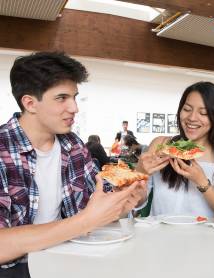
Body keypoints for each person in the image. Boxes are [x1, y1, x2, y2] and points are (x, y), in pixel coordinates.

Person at [0, 52, 147, 276]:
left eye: (75, 97)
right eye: (62, 98)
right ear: (30, 103)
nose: (74, 108)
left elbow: (93, 211)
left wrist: (119, 207)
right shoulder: (3, 149)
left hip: (69, 259)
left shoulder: (73, 145)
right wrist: (84, 222)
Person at [136, 81, 214, 218]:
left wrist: (201, 182)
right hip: (161, 235)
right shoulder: (161, 144)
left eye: (203, 113)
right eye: (187, 109)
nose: (192, 118)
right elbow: (137, 203)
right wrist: (139, 175)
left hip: (207, 236)